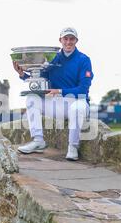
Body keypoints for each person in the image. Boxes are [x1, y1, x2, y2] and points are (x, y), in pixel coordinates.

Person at [13, 27, 93, 161]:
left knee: (77, 108)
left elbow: (83, 89)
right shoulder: (53, 59)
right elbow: (40, 78)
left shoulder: (84, 59)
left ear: (76, 41)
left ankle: (73, 147)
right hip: (57, 103)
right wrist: (22, 74)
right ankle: (38, 141)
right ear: (60, 40)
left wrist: (60, 91)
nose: (68, 42)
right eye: (65, 39)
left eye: (71, 39)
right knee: (32, 99)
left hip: (78, 101)